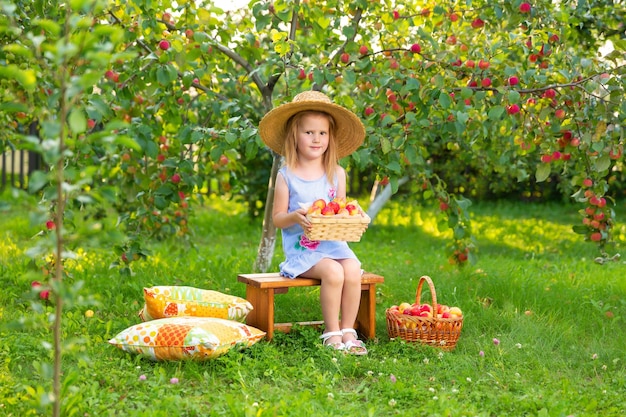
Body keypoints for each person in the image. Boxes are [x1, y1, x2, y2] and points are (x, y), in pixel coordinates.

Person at [258, 90, 368, 355]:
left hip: (334, 245)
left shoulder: (336, 174)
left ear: (330, 138)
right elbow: (278, 219)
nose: (316, 139)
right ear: (294, 136)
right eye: (309, 133)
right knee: (333, 272)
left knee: (352, 268)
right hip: (304, 250)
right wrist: (296, 216)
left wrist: (351, 213)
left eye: (322, 133)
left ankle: (348, 330)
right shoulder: (287, 176)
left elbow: (340, 211)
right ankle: (331, 333)